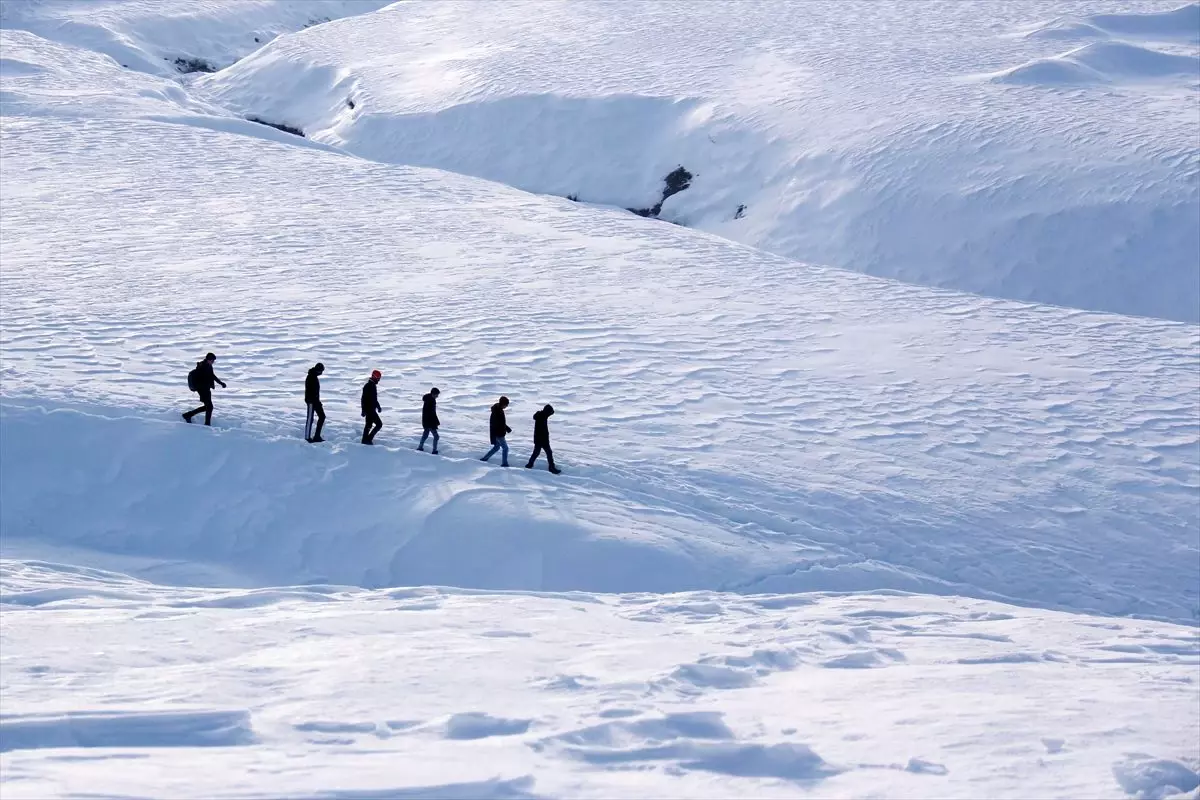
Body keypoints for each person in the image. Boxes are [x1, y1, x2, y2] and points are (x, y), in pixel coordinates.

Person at [183, 352, 226, 426]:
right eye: (212, 360)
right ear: (209, 359)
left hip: (206, 389)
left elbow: (212, 376)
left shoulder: (208, 366)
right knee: (209, 407)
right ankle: (206, 424)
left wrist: (221, 383)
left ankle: (188, 415)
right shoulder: (203, 366)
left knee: (208, 407)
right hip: (202, 389)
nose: (213, 362)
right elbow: (205, 378)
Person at [526, 404, 561, 474]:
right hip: (542, 440)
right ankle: (551, 468)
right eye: (549, 413)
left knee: (537, 453)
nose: (550, 415)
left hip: (539, 439)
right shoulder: (542, 417)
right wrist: (545, 440)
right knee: (547, 453)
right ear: (547, 412)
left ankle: (529, 465)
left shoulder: (542, 416)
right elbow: (542, 431)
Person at [480, 395, 511, 466]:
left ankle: (484, 459)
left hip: (498, 433)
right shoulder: (497, 412)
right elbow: (495, 424)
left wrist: (507, 428)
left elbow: (501, 423)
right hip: (499, 433)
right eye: (506, 405)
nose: (506, 406)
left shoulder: (499, 410)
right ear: (503, 404)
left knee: (497, 447)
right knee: (505, 448)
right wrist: (499, 433)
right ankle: (504, 464)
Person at [305, 362, 326, 443]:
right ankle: (307, 437)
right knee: (310, 419)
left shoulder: (314, 377)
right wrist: (311, 401)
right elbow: (310, 391)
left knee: (322, 416)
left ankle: (317, 436)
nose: (321, 373)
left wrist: (317, 401)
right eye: (321, 371)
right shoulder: (310, 377)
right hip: (311, 401)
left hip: (316, 401)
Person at [361, 370, 383, 445]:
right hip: (369, 410)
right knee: (379, 424)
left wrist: (378, 406)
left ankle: (365, 440)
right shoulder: (368, 386)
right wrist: (363, 410)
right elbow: (363, 399)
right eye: (378, 378)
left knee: (368, 425)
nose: (379, 380)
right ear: (375, 377)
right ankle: (368, 439)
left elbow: (374, 399)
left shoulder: (372, 385)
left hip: (371, 409)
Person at [418, 387, 440, 454]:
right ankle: (434, 451)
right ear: (433, 394)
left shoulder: (429, 400)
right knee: (436, 436)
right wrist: (434, 423)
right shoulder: (430, 401)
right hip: (430, 423)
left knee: (425, 435)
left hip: (426, 422)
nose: (437, 396)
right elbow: (431, 413)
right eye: (436, 395)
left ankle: (420, 447)